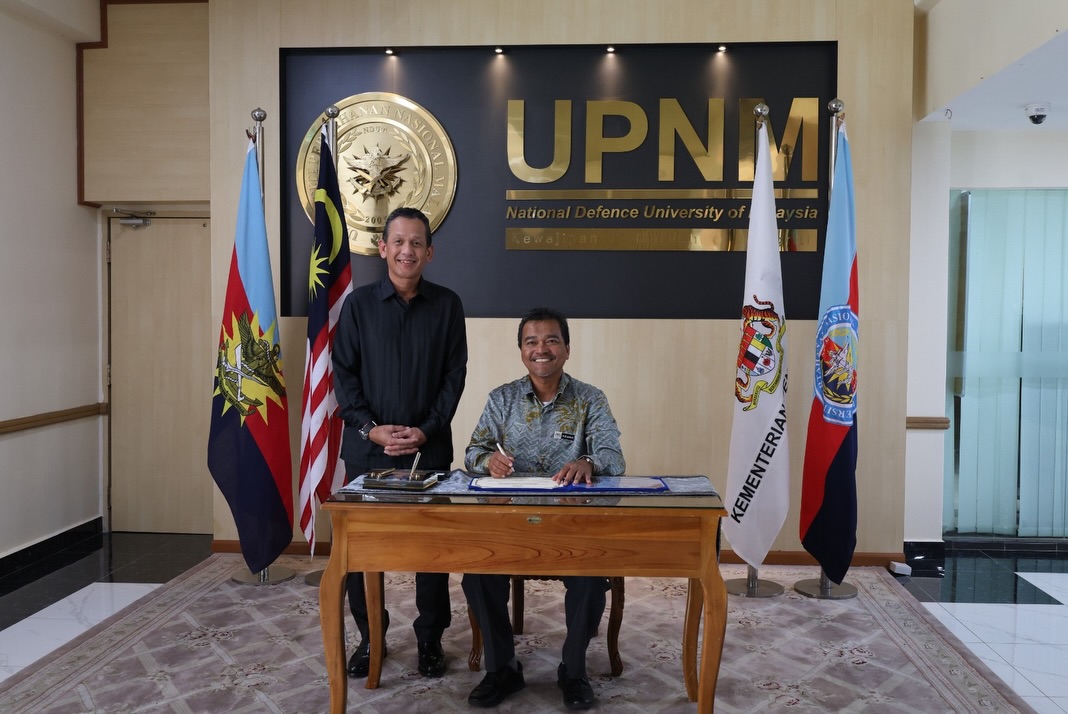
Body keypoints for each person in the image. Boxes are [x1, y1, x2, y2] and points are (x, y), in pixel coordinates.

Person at [462, 307, 626, 710]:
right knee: (477, 575)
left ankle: (573, 671)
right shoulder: (501, 399)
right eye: (531, 341)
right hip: (510, 521)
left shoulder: (590, 399)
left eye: (552, 340)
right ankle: (502, 669)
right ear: (521, 350)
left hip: (571, 523)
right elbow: (472, 452)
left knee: (591, 579)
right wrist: (488, 461)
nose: (542, 349)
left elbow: (614, 457)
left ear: (567, 349)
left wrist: (589, 462)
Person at [332, 206, 467, 679]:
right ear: (383, 248)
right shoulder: (358, 306)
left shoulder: (448, 305)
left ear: (430, 252)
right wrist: (370, 428)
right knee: (362, 553)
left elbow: (454, 377)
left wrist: (426, 429)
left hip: (428, 450)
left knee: (432, 552)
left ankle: (430, 639)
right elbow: (343, 376)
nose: (407, 250)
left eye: (416, 243)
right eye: (399, 242)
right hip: (368, 450)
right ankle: (371, 637)